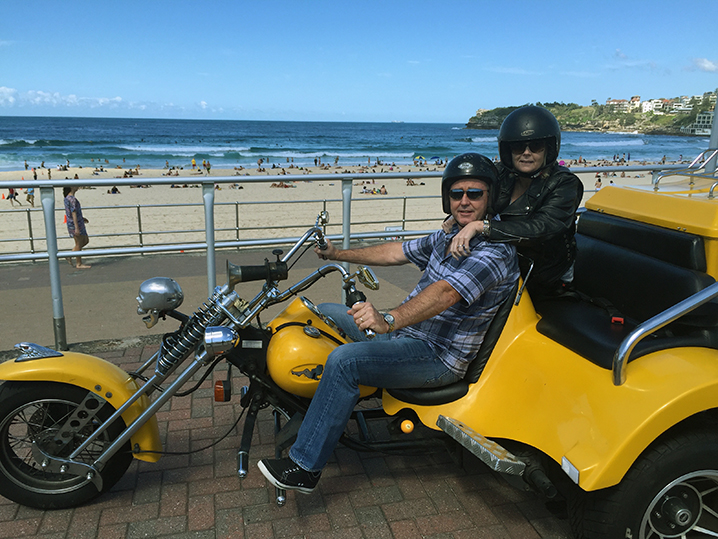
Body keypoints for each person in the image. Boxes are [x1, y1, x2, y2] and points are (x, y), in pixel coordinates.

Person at [258, 153, 519, 494]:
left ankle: (304, 466)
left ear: (490, 198)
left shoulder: (495, 252)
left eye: (475, 193)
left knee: (344, 361)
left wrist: (388, 319)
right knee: (322, 312)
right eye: (457, 194)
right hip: (407, 338)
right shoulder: (450, 235)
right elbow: (397, 252)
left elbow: (445, 294)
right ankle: (312, 407)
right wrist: (338, 254)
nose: (465, 201)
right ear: (447, 198)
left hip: (437, 358)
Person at [444, 106, 583, 304]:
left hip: (544, 278)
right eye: (518, 147)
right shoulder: (501, 174)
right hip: (503, 265)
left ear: (548, 149)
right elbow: (478, 198)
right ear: (508, 150)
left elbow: (543, 226)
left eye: (535, 146)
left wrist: (481, 226)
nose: (526, 153)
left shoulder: (564, 184)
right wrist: (458, 215)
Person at [63, 186, 91, 269]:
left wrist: (82, 218)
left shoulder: (68, 198)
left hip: (78, 222)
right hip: (75, 224)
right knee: (78, 244)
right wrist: (76, 228)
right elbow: (73, 213)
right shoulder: (71, 199)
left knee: (85, 240)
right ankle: (78, 263)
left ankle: (70, 254)